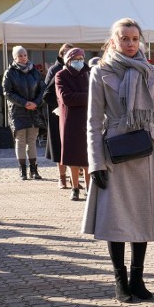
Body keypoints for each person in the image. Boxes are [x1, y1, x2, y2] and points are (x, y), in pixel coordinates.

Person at [83, 18, 154, 303]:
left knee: (143, 216)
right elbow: (92, 121)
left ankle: (138, 279)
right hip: (114, 152)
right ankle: (120, 281)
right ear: (113, 41)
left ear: (140, 41)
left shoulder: (151, 72)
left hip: (147, 151)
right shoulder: (100, 72)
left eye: (134, 38)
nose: (129, 44)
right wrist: (95, 163)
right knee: (116, 219)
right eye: (124, 38)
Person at [3, 47, 46, 180]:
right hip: (18, 111)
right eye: (20, 55)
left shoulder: (35, 71)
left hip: (33, 110)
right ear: (15, 58)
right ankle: (22, 169)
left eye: (25, 55)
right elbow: (7, 92)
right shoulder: (10, 72)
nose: (23, 57)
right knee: (20, 140)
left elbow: (42, 89)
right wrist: (25, 103)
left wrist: (36, 103)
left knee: (32, 140)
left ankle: (34, 169)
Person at [56, 48, 91, 201]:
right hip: (70, 119)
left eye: (81, 58)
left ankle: (90, 187)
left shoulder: (89, 73)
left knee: (89, 156)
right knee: (73, 156)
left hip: (89, 117)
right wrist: (90, 96)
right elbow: (67, 98)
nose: (79, 61)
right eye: (75, 58)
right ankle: (75, 187)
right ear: (69, 60)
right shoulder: (61, 75)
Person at [44, 43, 76, 189]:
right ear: (62, 54)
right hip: (57, 113)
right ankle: (62, 177)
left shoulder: (78, 68)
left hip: (75, 112)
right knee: (59, 146)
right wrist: (59, 105)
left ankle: (73, 178)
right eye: (68, 54)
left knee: (72, 146)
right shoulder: (55, 70)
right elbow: (47, 94)